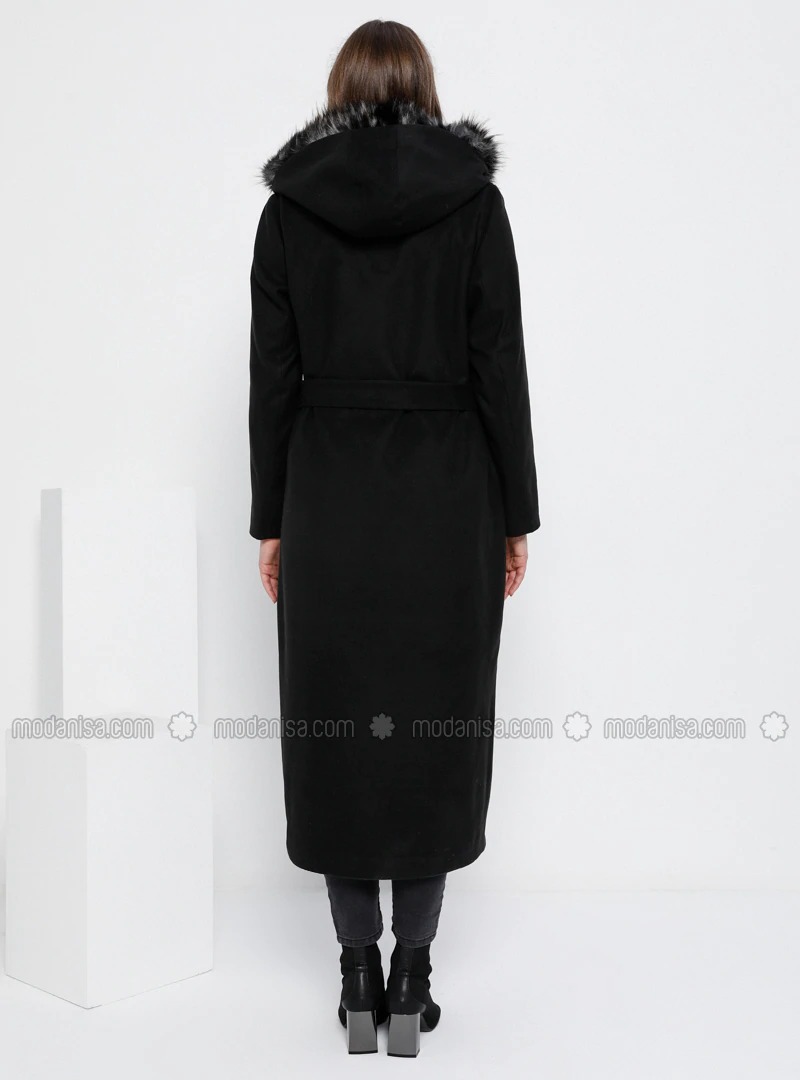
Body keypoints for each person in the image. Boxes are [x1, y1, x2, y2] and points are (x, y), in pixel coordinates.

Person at [249, 19, 540, 1057]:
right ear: (424, 88)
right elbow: (498, 364)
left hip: (328, 501)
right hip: (448, 501)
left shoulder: (289, 210)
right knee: (431, 733)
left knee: (337, 734)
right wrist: (515, 513)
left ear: (340, 90)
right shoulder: (475, 204)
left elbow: (272, 381)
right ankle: (414, 976)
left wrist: (273, 521)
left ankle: (357, 976)